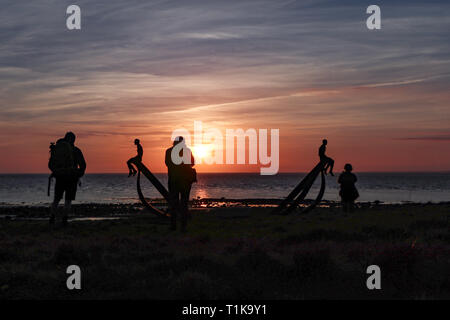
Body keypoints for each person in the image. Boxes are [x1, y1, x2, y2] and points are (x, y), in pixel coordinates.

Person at [48, 132, 86, 226]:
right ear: (74, 140)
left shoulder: (57, 150)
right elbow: (83, 165)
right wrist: (78, 175)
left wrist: (57, 172)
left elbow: (50, 165)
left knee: (56, 199)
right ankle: (64, 220)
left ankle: (52, 218)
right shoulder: (76, 150)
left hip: (60, 178)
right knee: (68, 200)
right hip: (72, 178)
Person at [165, 136, 196, 232]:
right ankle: (183, 227)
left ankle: (173, 226)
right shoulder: (187, 151)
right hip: (185, 181)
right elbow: (192, 163)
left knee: (173, 204)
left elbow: (167, 163)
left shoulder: (169, 151)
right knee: (184, 204)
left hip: (173, 181)